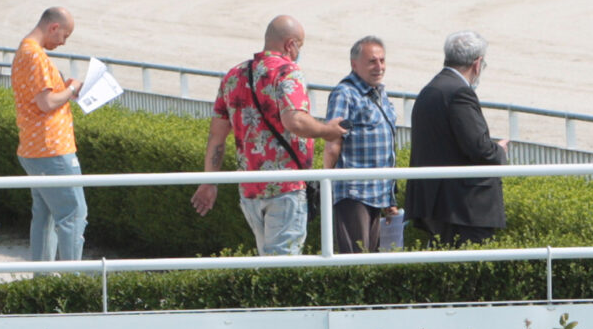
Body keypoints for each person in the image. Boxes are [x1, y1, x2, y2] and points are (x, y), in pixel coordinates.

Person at [189, 15, 345, 256]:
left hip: (249, 190)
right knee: (283, 266)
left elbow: (216, 136)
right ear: (290, 44)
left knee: (268, 261)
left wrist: (210, 182)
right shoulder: (287, 71)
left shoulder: (234, 75)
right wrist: (328, 131)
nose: (298, 52)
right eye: (299, 46)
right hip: (285, 187)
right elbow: (294, 120)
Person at [405, 30, 509, 245]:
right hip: (463, 208)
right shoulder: (459, 92)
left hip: (437, 203)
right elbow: (479, 148)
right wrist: (500, 151)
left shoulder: (431, 88)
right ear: (477, 64)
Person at [13, 7, 85, 261]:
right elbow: (46, 103)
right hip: (52, 147)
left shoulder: (25, 51)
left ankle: (43, 283)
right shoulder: (36, 56)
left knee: (45, 216)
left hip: (34, 147)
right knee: (74, 214)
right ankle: (70, 283)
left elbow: (42, 98)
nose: (63, 42)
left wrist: (62, 91)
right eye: (64, 35)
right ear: (53, 27)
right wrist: (73, 89)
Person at [323, 35, 399, 254]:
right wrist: (326, 186)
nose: (379, 67)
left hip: (378, 193)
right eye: (372, 61)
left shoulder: (380, 93)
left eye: (382, 61)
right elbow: (332, 143)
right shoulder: (344, 93)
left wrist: (389, 197)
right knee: (355, 262)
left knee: (373, 262)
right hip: (353, 192)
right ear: (354, 65)